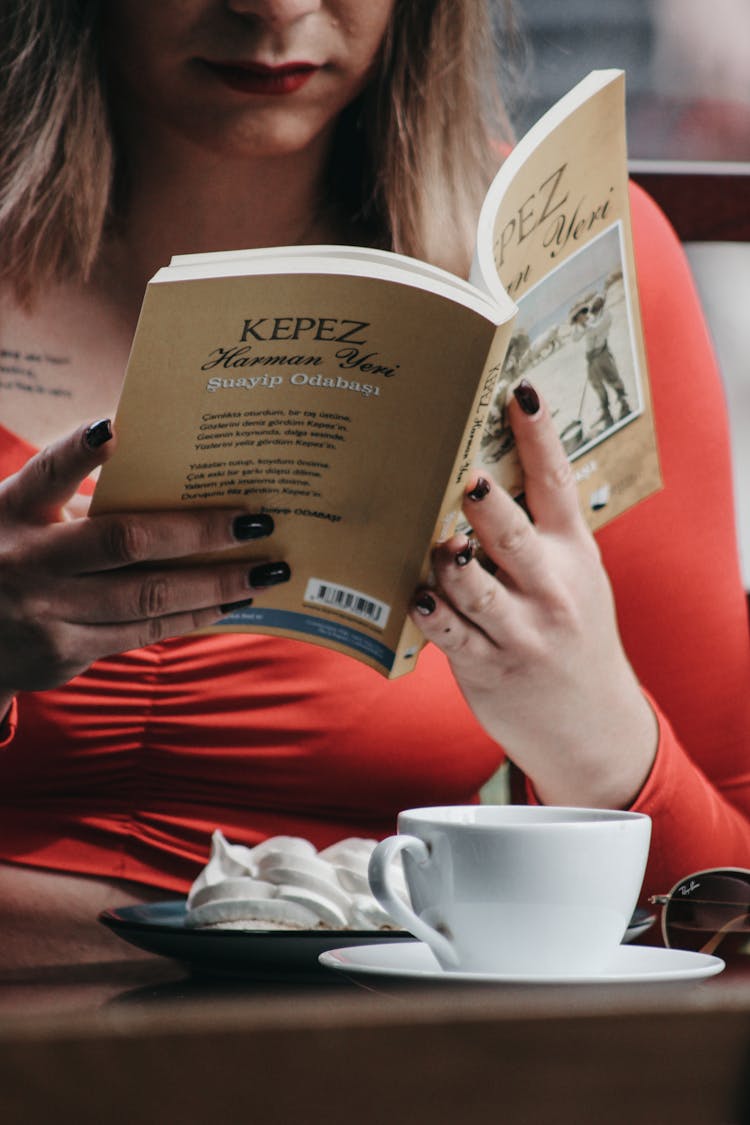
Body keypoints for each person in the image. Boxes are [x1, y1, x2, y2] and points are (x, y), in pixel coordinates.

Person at [0, 0, 748, 972]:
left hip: (373, 1052)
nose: (274, 7)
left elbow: (727, 912)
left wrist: (597, 736)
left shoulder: (572, 271)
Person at [570, 293, 631, 430]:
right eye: (594, 302)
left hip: (602, 354)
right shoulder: (587, 321)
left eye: (598, 301)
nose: (595, 304)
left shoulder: (602, 317)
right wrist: (577, 324)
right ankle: (607, 412)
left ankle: (624, 405)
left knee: (612, 379)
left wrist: (584, 324)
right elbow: (575, 338)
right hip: (591, 359)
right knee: (597, 385)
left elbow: (595, 330)